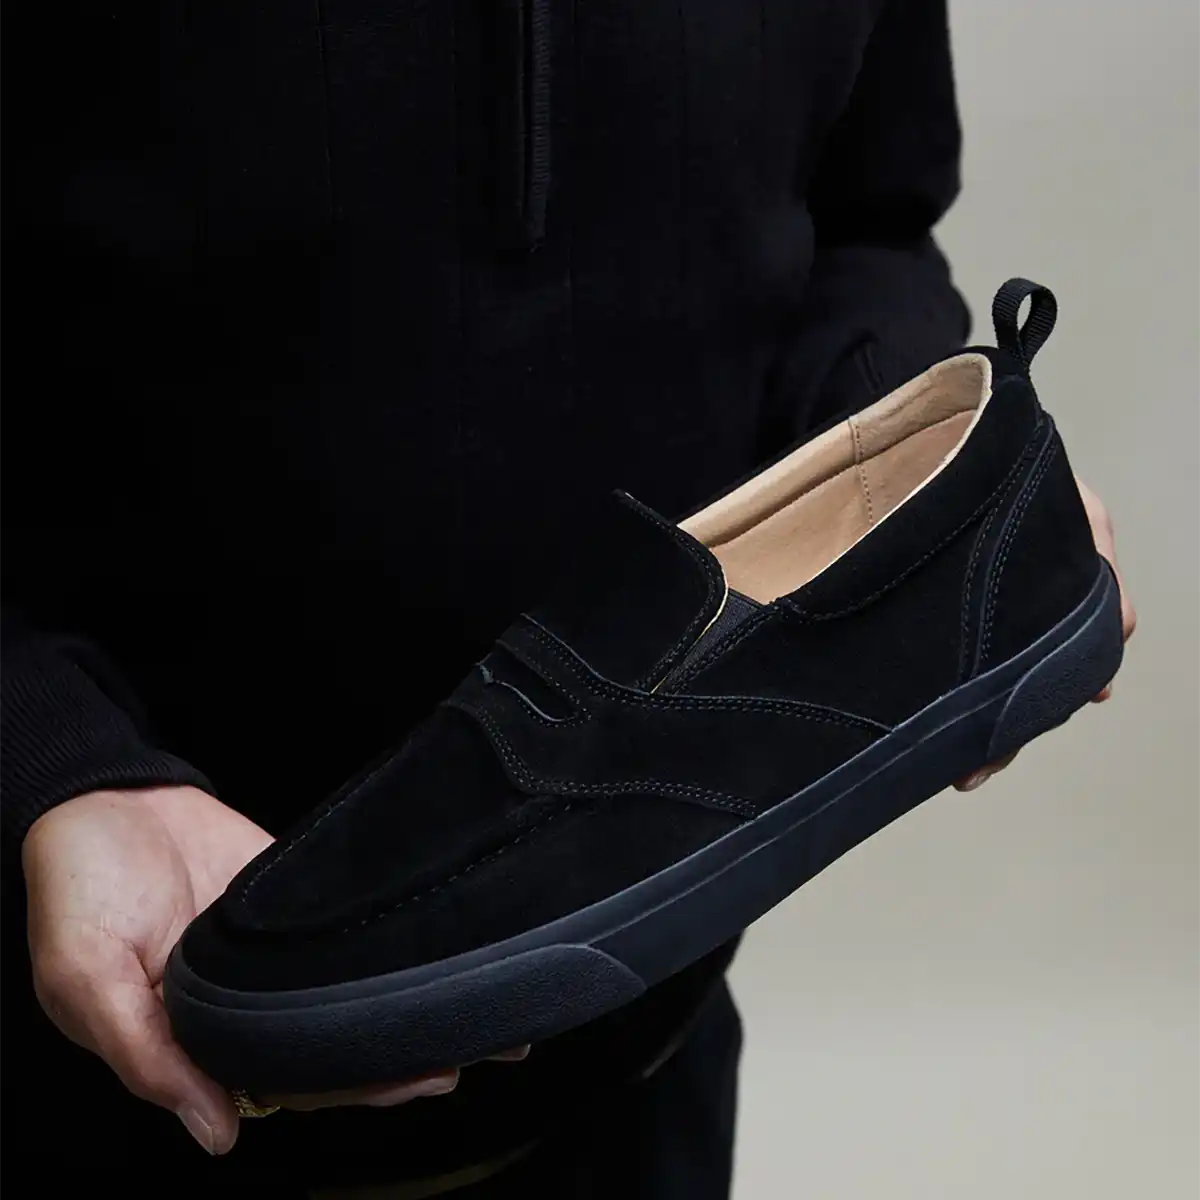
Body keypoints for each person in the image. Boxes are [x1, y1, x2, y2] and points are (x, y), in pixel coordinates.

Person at [4, 0, 1134, 1194]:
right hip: (88, 1035)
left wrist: (937, 497)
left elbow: (866, 222)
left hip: (643, 1055)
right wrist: (47, 749)